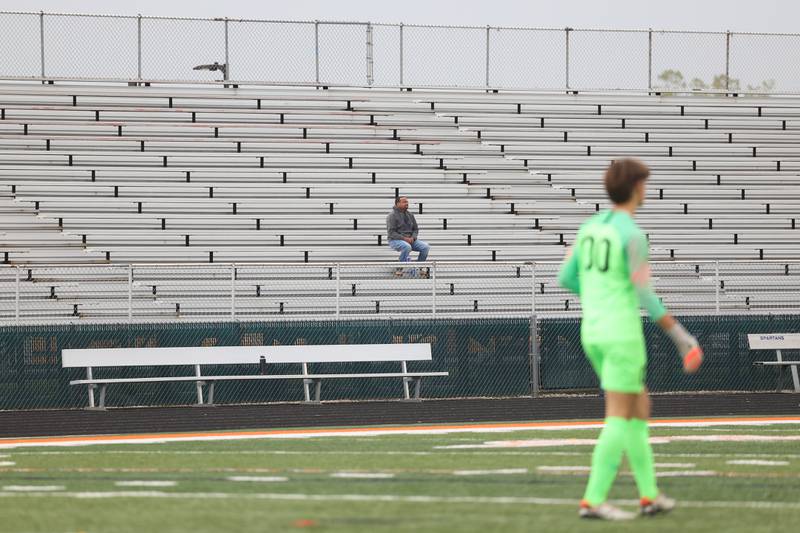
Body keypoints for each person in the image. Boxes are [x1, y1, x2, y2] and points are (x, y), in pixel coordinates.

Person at [558, 158, 703, 521]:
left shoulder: (590, 226)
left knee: (639, 407)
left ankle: (649, 495)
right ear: (637, 188)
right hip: (621, 332)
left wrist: (597, 296)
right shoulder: (632, 234)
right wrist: (683, 338)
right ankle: (592, 500)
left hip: (592, 328)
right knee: (619, 416)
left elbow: (566, 276)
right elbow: (646, 294)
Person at [387, 196, 430, 277]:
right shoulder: (391, 215)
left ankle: (419, 268)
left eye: (407, 202)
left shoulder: (410, 215)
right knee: (407, 247)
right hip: (395, 240)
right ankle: (399, 269)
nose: (407, 203)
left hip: (410, 239)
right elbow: (391, 233)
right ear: (397, 203)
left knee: (425, 247)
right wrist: (404, 238)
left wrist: (413, 237)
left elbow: (415, 229)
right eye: (404, 202)